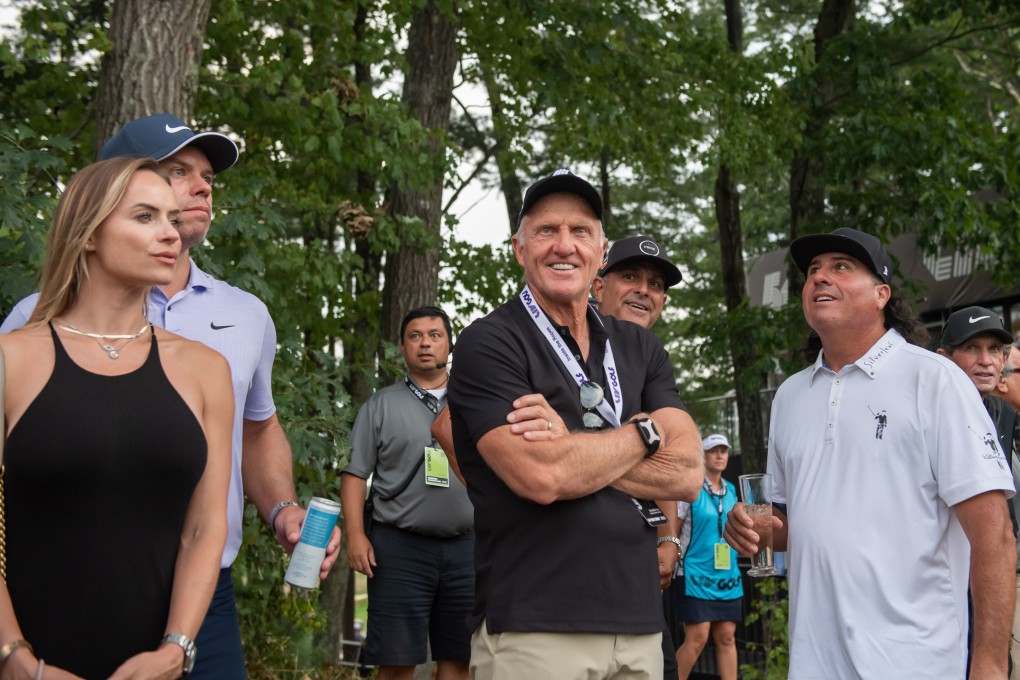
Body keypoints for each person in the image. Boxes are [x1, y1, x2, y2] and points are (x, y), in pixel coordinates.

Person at [1, 113, 339, 678]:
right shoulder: (24, 331)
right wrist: (13, 652)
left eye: (207, 176)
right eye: (179, 171)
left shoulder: (244, 317)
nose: (201, 188)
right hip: (47, 601)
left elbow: (256, 429)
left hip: (200, 594)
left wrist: (281, 509)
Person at [723, 227, 1017, 678]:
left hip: (915, 662)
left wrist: (991, 665)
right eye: (813, 271)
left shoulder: (934, 380)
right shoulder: (790, 396)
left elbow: (994, 535)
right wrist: (749, 528)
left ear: (882, 293)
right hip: (814, 662)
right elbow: (792, 529)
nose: (820, 278)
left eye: (841, 267)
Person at [447, 168, 704, 679]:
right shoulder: (489, 342)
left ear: (600, 253)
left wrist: (569, 445)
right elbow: (541, 478)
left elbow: (688, 472)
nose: (564, 245)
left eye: (580, 232)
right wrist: (644, 434)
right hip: (536, 625)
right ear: (520, 250)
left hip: (639, 626)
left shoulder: (642, 347)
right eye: (546, 231)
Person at [0, 157, 232, 679]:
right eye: (145, 217)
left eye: (173, 219)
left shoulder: (205, 370)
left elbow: (204, 528)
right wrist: (13, 657)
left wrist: (176, 651)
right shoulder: (10, 360)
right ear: (87, 234)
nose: (170, 234)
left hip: (152, 665)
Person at [340, 306, 473, 680]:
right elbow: (354, 474)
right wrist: (356, 536)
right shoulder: (380, 405)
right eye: (415, 336)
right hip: (399, 549)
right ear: (402, 347)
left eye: (435, 335)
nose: (425, 343)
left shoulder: (475, 403)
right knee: (397, 663)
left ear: (449, 344)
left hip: (467, 548)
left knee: (460, 661)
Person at [674, 434, 742, 680]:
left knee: (727, 636)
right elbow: (673, 528)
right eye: (714, 450)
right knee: (698, 637)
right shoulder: (690, 488)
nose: (720, 455)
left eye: (724, 450)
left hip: (727, 574)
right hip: (694, 572)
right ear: (703, 455)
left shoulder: (733, 490)